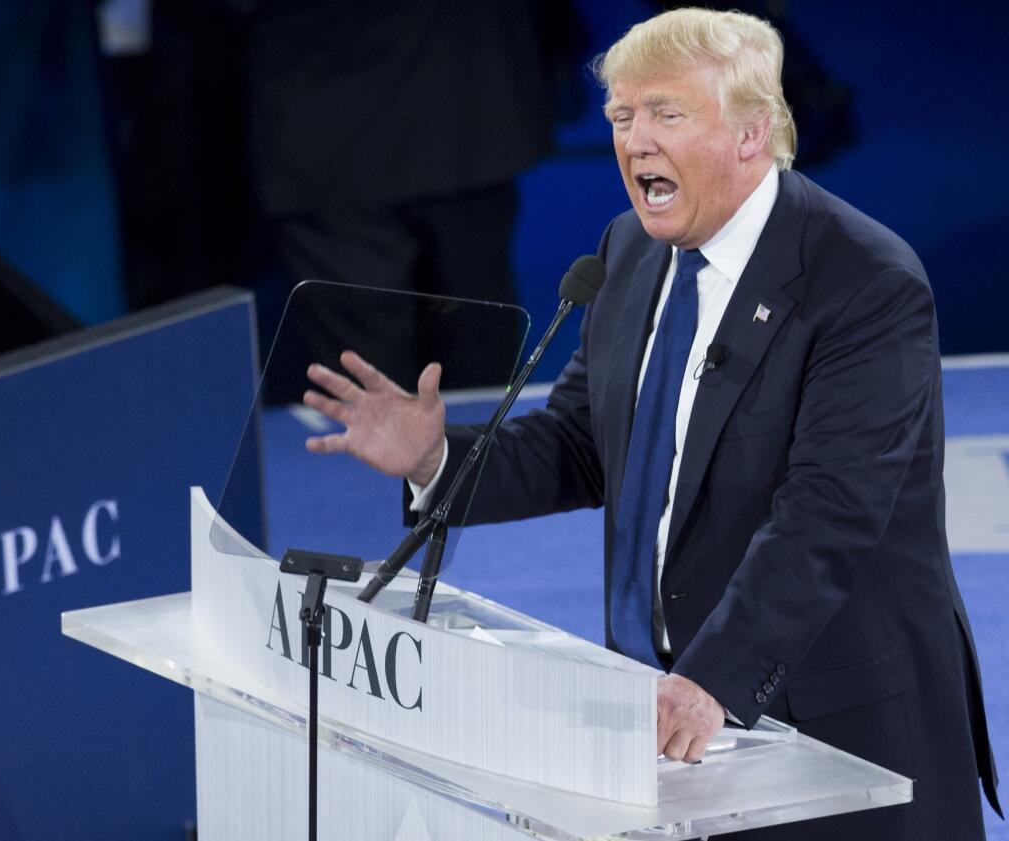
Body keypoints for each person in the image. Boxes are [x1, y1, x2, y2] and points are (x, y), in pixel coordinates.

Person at [301, 8, 1000, 839]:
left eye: (666, 114)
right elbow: (582, 444)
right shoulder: (629, 251)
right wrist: (439, 460)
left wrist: (714, 677)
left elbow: (830, 515)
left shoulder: (864, 283)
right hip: (664, 722)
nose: (635, 142)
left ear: (751, 134)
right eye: (622, 117)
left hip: (835, 736)